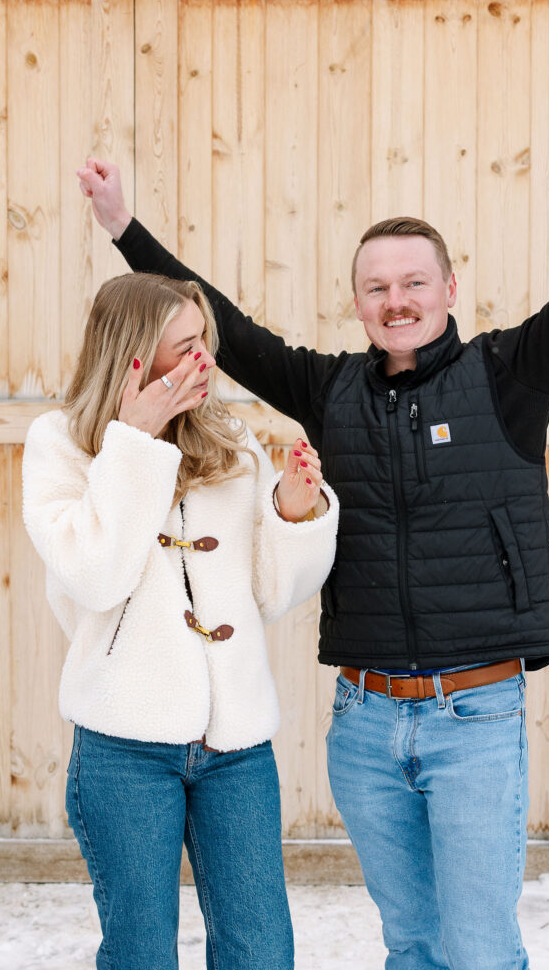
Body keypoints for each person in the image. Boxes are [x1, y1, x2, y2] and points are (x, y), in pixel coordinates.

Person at [76, 34, 549, 969]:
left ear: (449, 288)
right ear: (357, 303)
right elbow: (227, 327)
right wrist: (125, 227)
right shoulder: (330, 391)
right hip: (364, 722)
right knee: (409, 944)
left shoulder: (510, 378)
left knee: (478, 950)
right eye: (376, 287)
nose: (396, 299)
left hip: (474, 721)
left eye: (413, 282)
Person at [21, 271, 338, 970]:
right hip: (124, 751)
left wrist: (291, 510)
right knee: (141, 955)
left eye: (204, 342)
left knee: (260, 953)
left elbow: (271, 591)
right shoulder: (61, 446)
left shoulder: (229, 439)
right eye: (183, 348)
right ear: (132, 357)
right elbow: (95, 576)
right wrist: (132, 444)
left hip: (236, 751)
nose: (204, 363)